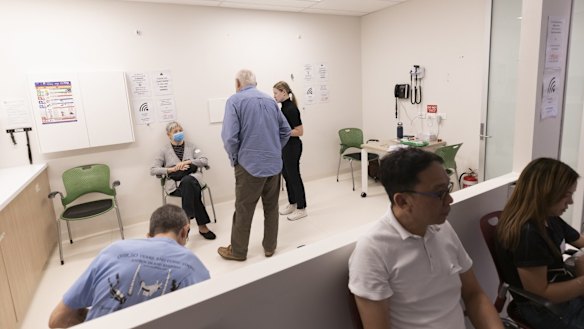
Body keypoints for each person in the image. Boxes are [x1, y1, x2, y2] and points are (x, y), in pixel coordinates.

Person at [348, 148, 503, 329]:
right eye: (439, 194)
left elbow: (473, 294)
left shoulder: (441, 227)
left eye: (448, 189)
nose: (450, 200)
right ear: (403, 201)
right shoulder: (373, 250)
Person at [48, 204, 210, 328]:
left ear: (148, 236)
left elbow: (57, 319)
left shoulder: (113, 251)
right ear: (184, 231)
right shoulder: (194, 266)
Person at [496, 158, 584, 329]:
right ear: (546, 193)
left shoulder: (549, 218)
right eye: (567, 195)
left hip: (564, 294)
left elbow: (579, 241)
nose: (571, 202)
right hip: (545, 310)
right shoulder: (527, 234)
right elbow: (541, 293)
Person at [219, 69, 291, 261]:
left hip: (249, 166)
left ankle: (238, 251)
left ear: (237, 83)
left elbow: (229, 138)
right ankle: (270, 247)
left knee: (244, 210)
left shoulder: (234, 101)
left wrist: (235, 159)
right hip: (274, 166)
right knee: (271, 207)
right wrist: (275, 150)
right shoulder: (270, 101)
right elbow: (286, 131)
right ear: (256, 83)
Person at [151, 121, 216, 240]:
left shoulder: (192, 147)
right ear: (168, 135)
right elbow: (153, 170)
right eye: (175, 131)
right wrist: (172, 169)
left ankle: (186, 224)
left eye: (180, 130)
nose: (179, 133)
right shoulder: (163, 151)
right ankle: (202, 226)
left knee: (188, 181)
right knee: (190, 188)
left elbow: (204, 160)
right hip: (176, 186)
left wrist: (188, 162)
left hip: (193, 180)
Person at [273, 81, 307, 221]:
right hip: (285, 147)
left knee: (294, 176)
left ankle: (302, 208)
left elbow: (300, 132)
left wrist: (282, 133)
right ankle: (292, 203)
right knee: (286, 175)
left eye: (276, 93)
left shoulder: (291, 109)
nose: (274, 96)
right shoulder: (283, 108)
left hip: (293, 147)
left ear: (283, 92)